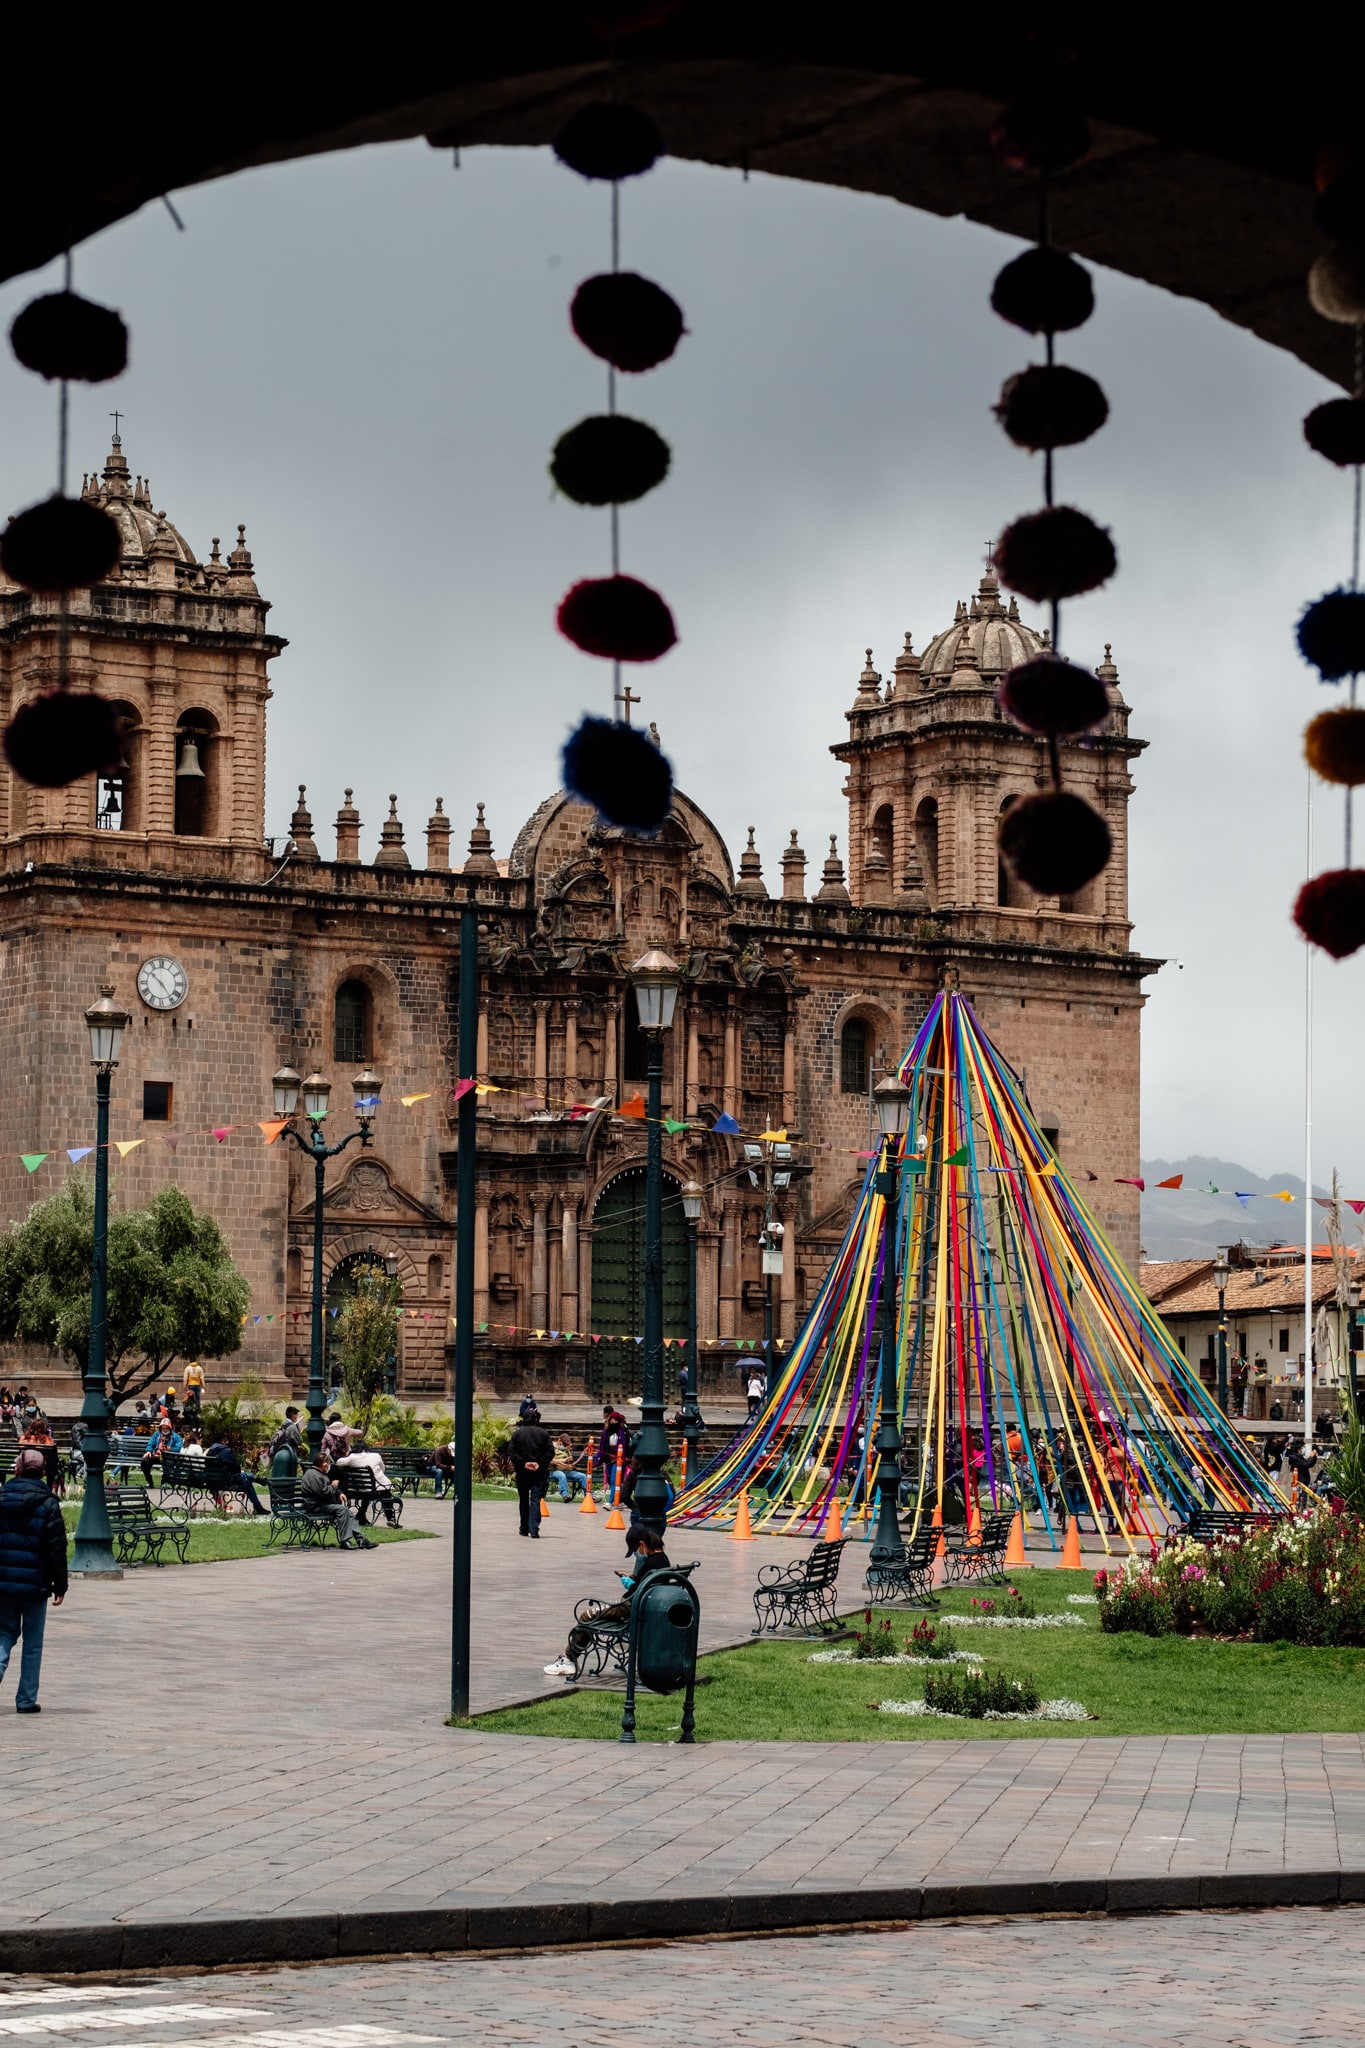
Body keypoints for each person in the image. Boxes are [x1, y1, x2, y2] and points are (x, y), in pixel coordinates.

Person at [543, 1527, 672, 1678]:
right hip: (640, 1606)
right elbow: (647, 1582)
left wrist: (631, 1584)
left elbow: (640, 1589)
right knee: (591, 1616)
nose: (637, 1554)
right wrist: (632, 1577)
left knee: (587, 1617)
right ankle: (569, 1657)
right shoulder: (661, 1559)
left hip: (629, 1607)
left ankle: (569, 1659)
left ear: (642, 1545)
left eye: (636, 1550)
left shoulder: (653, 1563)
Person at [0, 1446, 69, 1711]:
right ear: (42, 1472)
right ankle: (26, 1700)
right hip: (36, 1584)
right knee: (32, 1642)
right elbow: (56, 1548)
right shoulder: (48, 1502)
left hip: (4, 1581)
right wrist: (60, 1584)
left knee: (4, 1632)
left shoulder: (2, 1497)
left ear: (17, 1469)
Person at [300, 1451, 375, 1550]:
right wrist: (333, 1486)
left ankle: (360, 1539)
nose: (329, 1466)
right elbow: (323, 1493)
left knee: (348, 1513)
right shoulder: (313, 1475)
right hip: (314, 1506)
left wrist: (339, 1493)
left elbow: (327, 1489)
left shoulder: (319, 1473)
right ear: (324, 1464)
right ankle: (345, 1541)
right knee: (342, 1510)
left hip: (321, 1504)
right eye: (329, 1463)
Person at [333, 1439, 401, 1526]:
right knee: (386, 1493)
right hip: (378, 1487)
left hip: (361, 1488)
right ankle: (390, 1517)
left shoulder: (352, 1458)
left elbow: (338, 1462)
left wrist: (348, 1455)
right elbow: (383, 1469)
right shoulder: (376, 1456)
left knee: (367, 1494)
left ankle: (360, 1516)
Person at [509, 1408, 553, 1537]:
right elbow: (550, 1452)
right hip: (539, 1472)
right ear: (535, 1419)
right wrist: (539, 1462)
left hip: (523, 1472)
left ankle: (524, 1527)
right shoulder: (544, 1434)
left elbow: (512, 1452)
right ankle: (534, 1529)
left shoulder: (517, 1434)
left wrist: (524, 1463)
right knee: (535, 1500)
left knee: (523, 1500)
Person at [204, 1432, 268, 1515]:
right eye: (226, 1440)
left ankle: (254, 1480)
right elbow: (237, 1468)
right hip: (227, 1481)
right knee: (247, 1481)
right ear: (223, 1441)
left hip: (212, 1481)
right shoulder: (226, 1451)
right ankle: (258, 1506)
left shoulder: (209, 1452)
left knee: (245, 1478)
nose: (227, 1442)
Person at [140, 1414, 182, 1490]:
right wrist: (149, 1450)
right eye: (163, 1428)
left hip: (168, 1456)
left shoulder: (176, 1437)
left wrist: (170, 1449)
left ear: (170, 1428)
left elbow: (179, 1448)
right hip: (156, 1455)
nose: (164, 1430)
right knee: (144, 1461)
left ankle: (164, 1482)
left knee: (168, 1463)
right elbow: (151, 1444)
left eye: (166, 1428)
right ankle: (150, 1482)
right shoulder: (156, 1434)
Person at [267, 1406, 304, 1478]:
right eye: (296, 1414)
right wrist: (299, 1431)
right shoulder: (292, 1427)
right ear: (293, 1415)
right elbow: (299, 1441)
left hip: (279, 1453)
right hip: (289, 1454)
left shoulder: (282, 1425)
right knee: (289, 1475)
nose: (297, 1416)